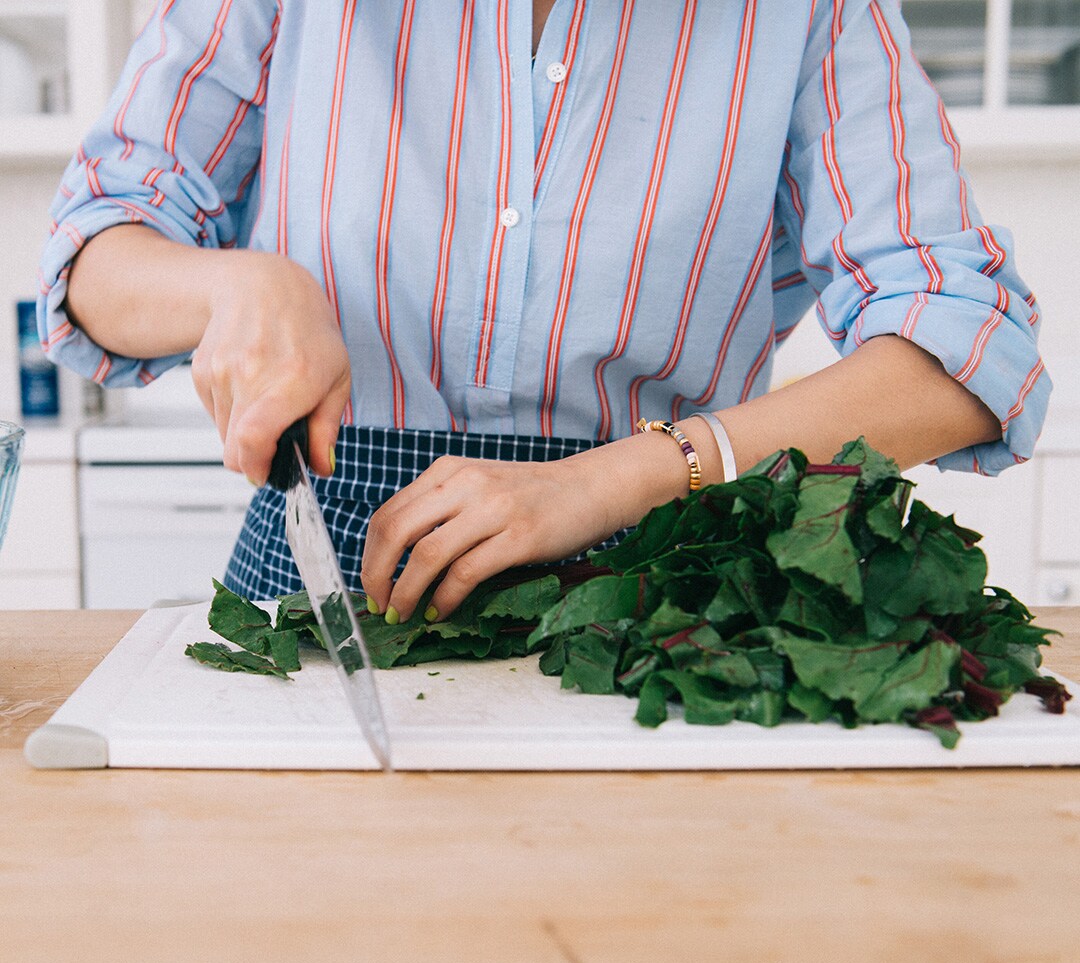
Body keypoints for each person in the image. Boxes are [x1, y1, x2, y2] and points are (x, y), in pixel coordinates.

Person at [40, 0, 1048, 626]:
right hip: (315, 584)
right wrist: (234, 287)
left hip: (662, 591)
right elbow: (97, 248)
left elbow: (968, 349)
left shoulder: (809, 13)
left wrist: (623, 479)